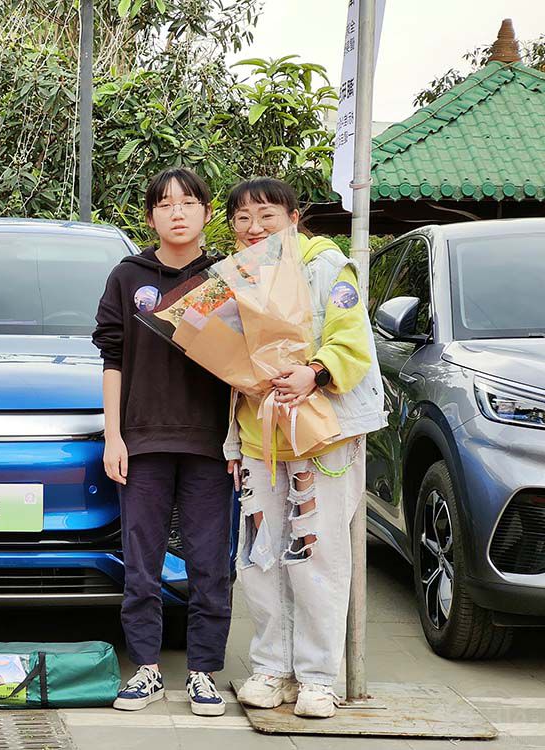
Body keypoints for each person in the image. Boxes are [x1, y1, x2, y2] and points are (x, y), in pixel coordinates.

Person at [224, 177, 384, 718]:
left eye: (267, 215)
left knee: (316, 555)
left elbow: (352, 343)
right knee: (261, 558)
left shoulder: (327, 268)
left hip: (322, 435)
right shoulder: (234, 280)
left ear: (295, 218)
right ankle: (272, 669)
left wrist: (314, 372)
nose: (255, 227)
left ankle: (319, 678)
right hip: (256, 439)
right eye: (243, 218)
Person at [93, 167, 234, 717]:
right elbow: (113, 359)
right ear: (150, 215)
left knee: (209, 562)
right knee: (141, 561)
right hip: (143, 441)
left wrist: (237, 443)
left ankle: (203, 672)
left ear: (206, 212)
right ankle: (147, 669)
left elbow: (244, 366)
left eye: (189, 202)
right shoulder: (128, 277)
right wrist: (114, 436)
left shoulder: (226, 278)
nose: (177, 212)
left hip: (211, 444)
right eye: (165, 203)